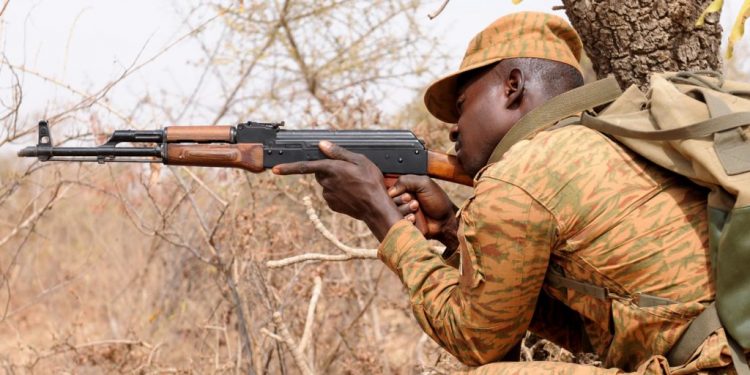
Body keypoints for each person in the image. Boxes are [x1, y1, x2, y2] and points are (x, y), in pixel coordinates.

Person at [274, 11, 739, 374]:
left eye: (462, 105)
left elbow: (476, 342)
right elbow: (589, 331)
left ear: (512, 87)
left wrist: (383, 219)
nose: (454, 128)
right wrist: (455, 232)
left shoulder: (519, 176)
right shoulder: (605, 142)